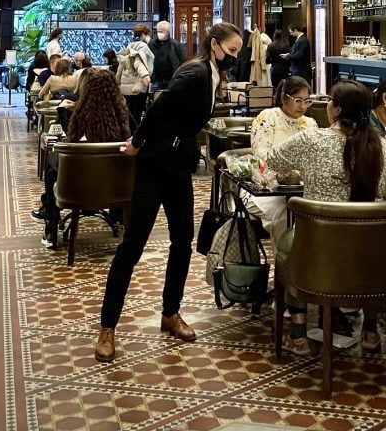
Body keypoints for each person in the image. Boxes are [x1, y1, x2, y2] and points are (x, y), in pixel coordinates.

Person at [95, 21, 244, 362]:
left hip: (179, 165)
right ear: (215, 44)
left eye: (238, 51)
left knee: (183, 241)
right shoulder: (195, 74)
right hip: (155, 164)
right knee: (132, 245)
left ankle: (170, 313)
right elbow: (158, 108)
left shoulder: (212, 75)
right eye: (232, 50)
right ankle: (107, 328)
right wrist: (135, 142)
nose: (235, 57)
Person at [265, 80, 386, 354]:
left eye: (329, 100)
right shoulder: (384, 149)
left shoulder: (311, 140)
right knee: (374, 244)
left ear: (336, 109)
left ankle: (297, 334)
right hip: (369, 254)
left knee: (289, 242)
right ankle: (370, 330)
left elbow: (273, 161)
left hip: (318, 252)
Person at [31, 68, 130, 248]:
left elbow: (70, 142)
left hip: (80, 188)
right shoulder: (123, 114)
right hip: (116, 187)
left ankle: (51, 224)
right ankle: (118, 217)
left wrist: (63, 111)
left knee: (53, 164)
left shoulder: (82, 116)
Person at [246, 76, 317, 242]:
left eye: (307, 101)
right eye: (298, 100)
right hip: (265, 189)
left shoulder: (310, 124)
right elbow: (262, 156)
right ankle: (284, 265)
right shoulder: (268, 117)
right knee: (284, 218)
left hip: (299, 191)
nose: (303, 106)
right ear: (285, 98)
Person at [115, 24, 155, 128]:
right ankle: (135, 139)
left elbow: (120, 68)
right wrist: (145, 76)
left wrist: (117, 81)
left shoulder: (130, 46)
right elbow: (139, 62)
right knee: (137, 113)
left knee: (131, 113)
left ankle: (129, 135)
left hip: (127, 86)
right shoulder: (142, 46)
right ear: (143, 34)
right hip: (137, 85)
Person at [150, 21, 186, 93]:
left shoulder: (174, 45)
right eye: (158, 31)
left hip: (171, 78)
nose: (159, 33)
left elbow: (182, 61)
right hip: (156, 79)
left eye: (162, 31)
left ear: (167, 32)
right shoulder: (152, 44)